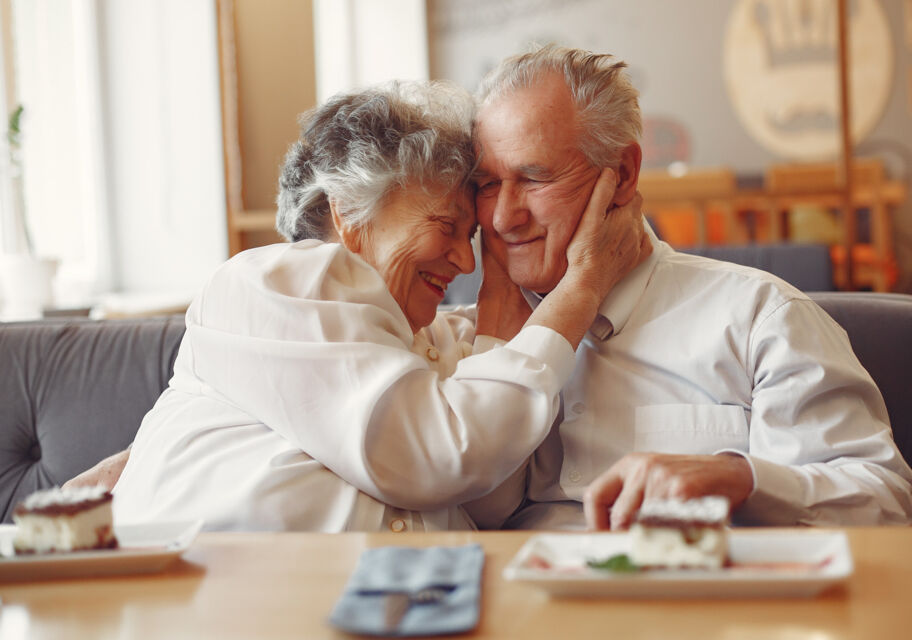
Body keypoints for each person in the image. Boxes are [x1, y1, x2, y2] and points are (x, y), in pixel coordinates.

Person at [103, 80, 648, 532]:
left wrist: (497, 332)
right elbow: (440, 455)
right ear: (350, 215)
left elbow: (489, 497)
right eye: (446, 227)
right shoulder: (279, 280)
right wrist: (580, 291)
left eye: (473, 237)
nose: (465, 261)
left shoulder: (434, 339)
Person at [465, 44, 912, 529]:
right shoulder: (463, 338)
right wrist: (495, 339)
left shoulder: (760, 317)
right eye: (487, 184)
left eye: (533, 177)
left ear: (622, 175)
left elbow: (890, 507)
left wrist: (739, 478)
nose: (502, 217)